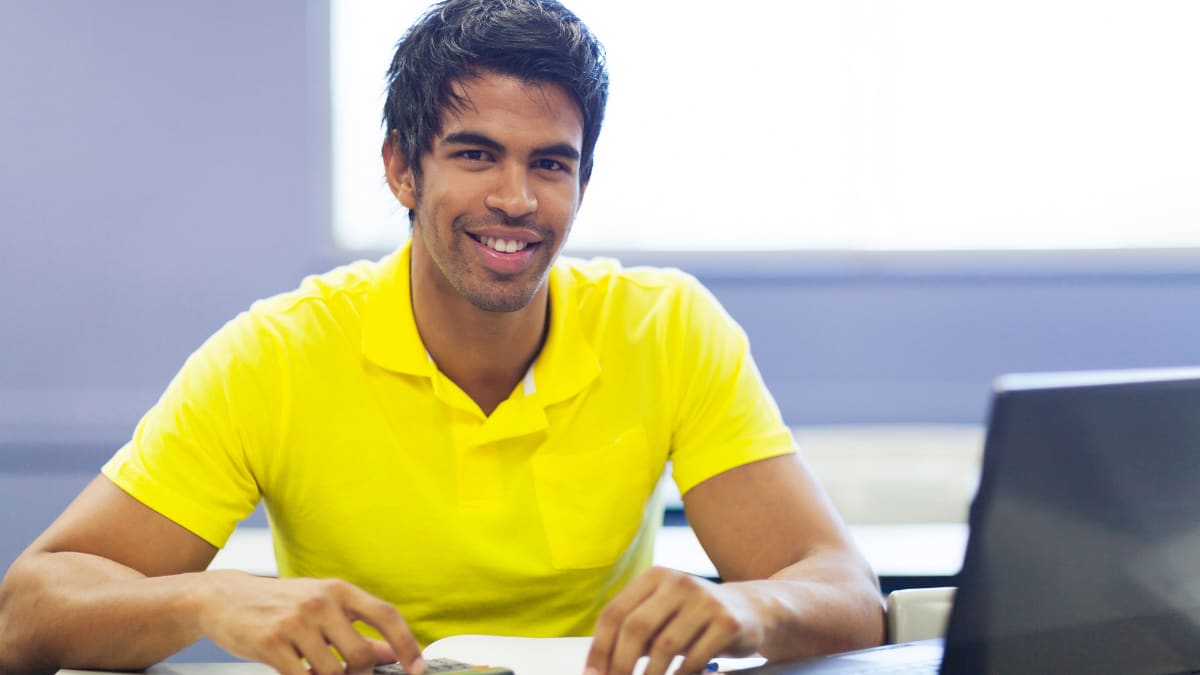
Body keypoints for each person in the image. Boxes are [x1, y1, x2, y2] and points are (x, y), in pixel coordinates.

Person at [0, 1, 884, 674]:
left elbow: (848, 593)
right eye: (474, 154)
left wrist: (751, 610)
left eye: (551, 163)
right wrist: (207, 596)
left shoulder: (666, 327)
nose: (516, 198)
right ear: (401, 168)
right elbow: (24, 610)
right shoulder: (274, 354)